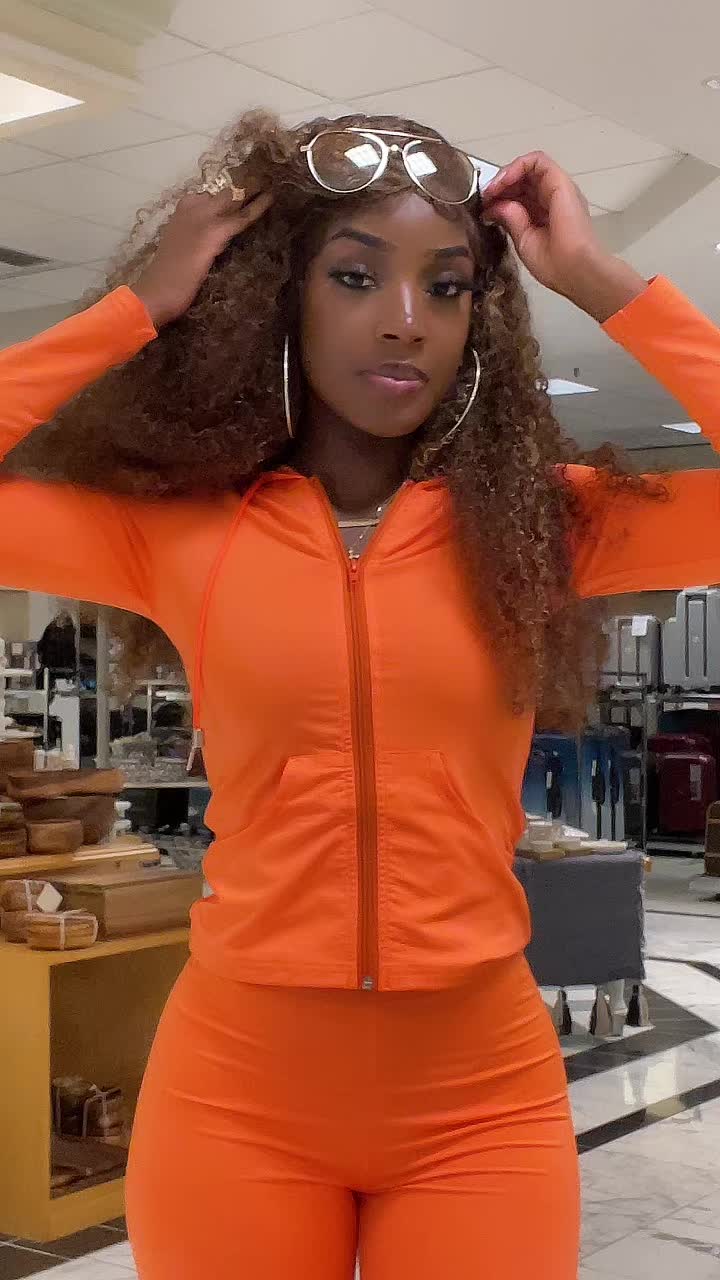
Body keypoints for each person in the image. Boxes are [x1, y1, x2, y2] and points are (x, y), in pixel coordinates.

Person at [2, 111, 720, 1279]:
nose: (404, 319)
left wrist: (604, 280)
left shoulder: (546, 524)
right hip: (239, 1092)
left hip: (478, 1099)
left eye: (445, 286)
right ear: (278, 300)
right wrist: (138, 304)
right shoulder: (181, 531)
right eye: (354, 276)